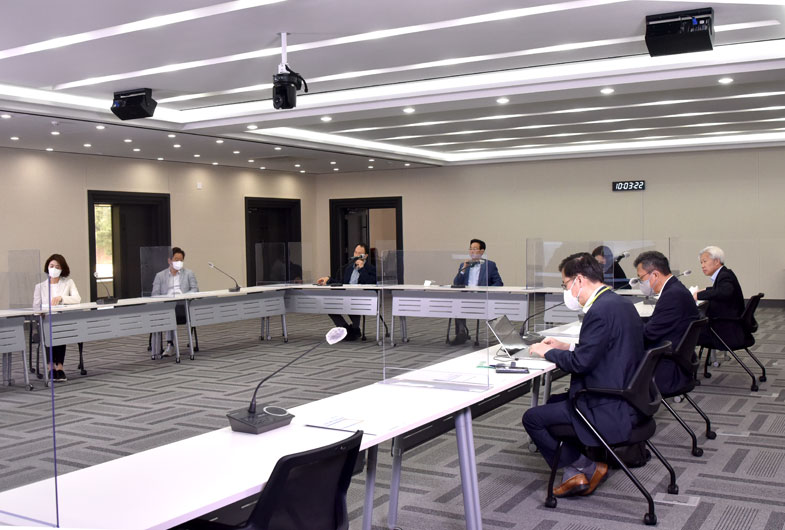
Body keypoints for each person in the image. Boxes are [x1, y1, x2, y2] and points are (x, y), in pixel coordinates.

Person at [523, 252, 644, 497]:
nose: (566, 291)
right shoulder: (620, 303)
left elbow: (580, 364)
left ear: (579, 280)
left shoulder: (599, 311)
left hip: (605, 403)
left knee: (532, 418)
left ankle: (583, 466)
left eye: (565, 284)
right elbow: (607, 347)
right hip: (628, 396)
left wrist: (547, 352)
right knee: (554, 401)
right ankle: (579, 466)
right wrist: (566, 346)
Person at [634, 251, 699, 395]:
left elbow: (649, 334)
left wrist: (626, 329)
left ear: (655, 275)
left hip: (667, 369)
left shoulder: (672, 296)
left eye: (641, 278)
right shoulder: (676, 289)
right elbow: (657, 322)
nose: (641, 283)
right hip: (678, 361)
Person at [33, 254, 81, 382]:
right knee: (48, 332)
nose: (54, 269)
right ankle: (50, 367)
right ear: (47, 267)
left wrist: (61, 298)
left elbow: (77, 299)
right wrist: (41, 312)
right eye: (51, 266)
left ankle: (60, 367)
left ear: (62, 269)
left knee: (60, 332)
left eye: (57, 266)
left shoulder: (68, 283)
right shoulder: (40, 286)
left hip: (61, 319)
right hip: (45, 320)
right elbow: (35, 307)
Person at [316, 243, 377, 340]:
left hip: (362, 298)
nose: (356, 255)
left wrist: (361, 269)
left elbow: (370, 282)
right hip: (347, 296)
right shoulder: (349, 268)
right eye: (355, 252)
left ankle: (354, 330)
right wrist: (328, 279)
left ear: (365, 256)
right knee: (328, 305)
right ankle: (346, 329)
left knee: (352, 302)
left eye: (360, 253)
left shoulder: (371, 269)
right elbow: (342, 283)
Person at [450, 239, 503, 345]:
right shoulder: (464, 265)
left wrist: (487, 290)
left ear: (482, 251)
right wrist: (464, 268)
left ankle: (492, 335)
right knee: (456, 304)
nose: (472, 251)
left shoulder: (490, 265)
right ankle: (461, 334)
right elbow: (456, 283)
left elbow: (499, 283)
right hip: (466, 297)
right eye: (470, 249)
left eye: (475, 249)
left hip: (482, 297)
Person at [693, 245, 745, 351]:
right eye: (701, 263)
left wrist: (698, 295)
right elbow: (721, 289)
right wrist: (706, 289)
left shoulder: (724, 275)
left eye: (705, 261)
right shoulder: (725, 273)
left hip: (726, 329)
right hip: (731, 325)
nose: (702, 266)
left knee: (688, 332)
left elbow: (724, 292)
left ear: (716, 261)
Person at [151, 247, 199, 356]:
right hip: (167, 306)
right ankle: (170, 345)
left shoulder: (189, 273)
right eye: (176, 260)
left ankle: (170, 345)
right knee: (169, 311)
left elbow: (195, 289)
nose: (179, 262)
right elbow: (154, 294)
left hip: (183, 306)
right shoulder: (160, 276)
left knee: (171, 312)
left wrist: (183, 295)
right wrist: (166, 298)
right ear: (169, 260)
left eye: (181, 260)